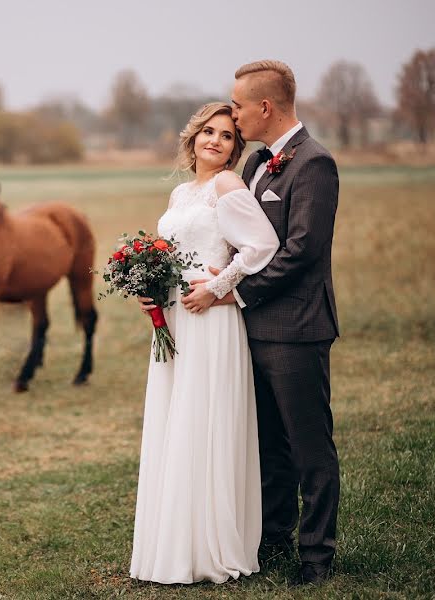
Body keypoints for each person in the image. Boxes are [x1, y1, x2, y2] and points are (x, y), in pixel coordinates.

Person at [182, 60, 341, 586]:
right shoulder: (253, 166)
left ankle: (316, 556)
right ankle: (273, 539)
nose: (235, 114)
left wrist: (232, 293)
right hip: (248, 329)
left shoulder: (315, 164)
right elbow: (233, 239)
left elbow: (300, 251)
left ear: (265, 107)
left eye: (240, 106)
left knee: (307, 444)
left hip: (296, 328)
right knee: (267, 444)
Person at [130, 102, 279, 584]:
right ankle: (173, 542)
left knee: (204, 417)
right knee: (176, 417)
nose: (216, 141)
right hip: (174, 314)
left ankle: (210, 546)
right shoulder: (179, 194)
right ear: (193, 138)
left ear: (236, 148)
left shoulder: (227, 186)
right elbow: (170, 252)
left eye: (228, 136)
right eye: (208, 132)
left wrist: (218, 290)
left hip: (209, 318)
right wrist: (150, 287)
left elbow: (262, 246)